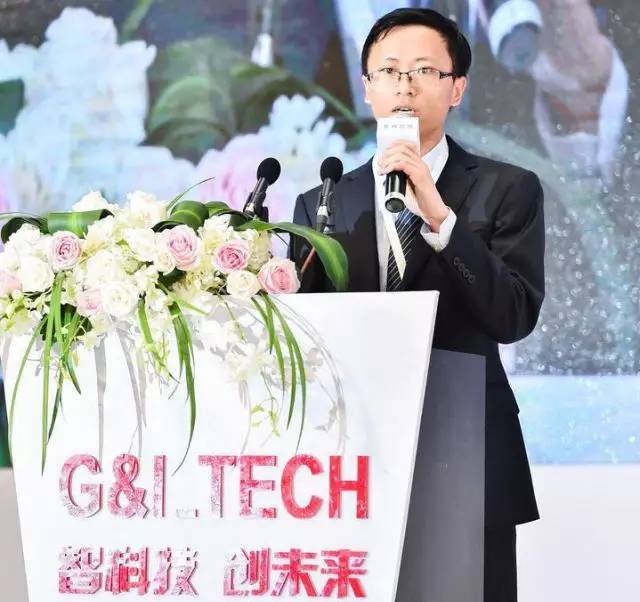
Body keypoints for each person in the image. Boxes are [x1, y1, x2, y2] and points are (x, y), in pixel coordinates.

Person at [290, 8, 545, 601]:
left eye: (425, 71)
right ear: (367, 87)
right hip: (354, 460)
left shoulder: (507, 189)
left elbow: (513, 314)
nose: (405, 85)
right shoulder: (323, 202)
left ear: (457, 88)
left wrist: (441, 219)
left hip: (467, 448)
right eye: (390, 71)